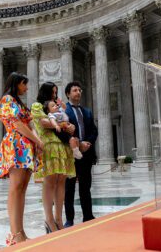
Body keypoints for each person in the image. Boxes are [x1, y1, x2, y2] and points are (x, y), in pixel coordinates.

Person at [0, 72, 44, 246]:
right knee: (15, 187)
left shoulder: (19, 103)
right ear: (16, 84)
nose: (27, 87)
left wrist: (37, 141)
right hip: (15, 143)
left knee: (22, 188)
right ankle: (14, 233)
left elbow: (30, 123)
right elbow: (16, 124)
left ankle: (21, 232)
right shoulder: (7, 100)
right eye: (24, 84)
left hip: (26, 145)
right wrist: (37, 140)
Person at [31, 82, 76, 233]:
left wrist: (69, 125)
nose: (54, 95)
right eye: (52, 92)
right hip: (48, 145)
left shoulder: (57, 106)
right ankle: (49, 219)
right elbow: (43, 123)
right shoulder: (37, 106)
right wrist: (63, 124)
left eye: (56, 92)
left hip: (61, 146)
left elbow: (66, 121)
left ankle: (59, 218)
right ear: (45, 92)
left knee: (61, 181)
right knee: (49, 182)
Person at [64, 81, 98, 227]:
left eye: (80, 90)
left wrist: (87, 143)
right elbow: (63, 132)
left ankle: (88, 216)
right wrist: (78, 144)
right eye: (75, 90)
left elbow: (94, 131)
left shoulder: (87, 112)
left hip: (86, 154)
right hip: (71, 155)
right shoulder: (64, 112)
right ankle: (69, 219)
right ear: (68, 94)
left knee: (86, 187)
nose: (78, 92)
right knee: (69, 188)